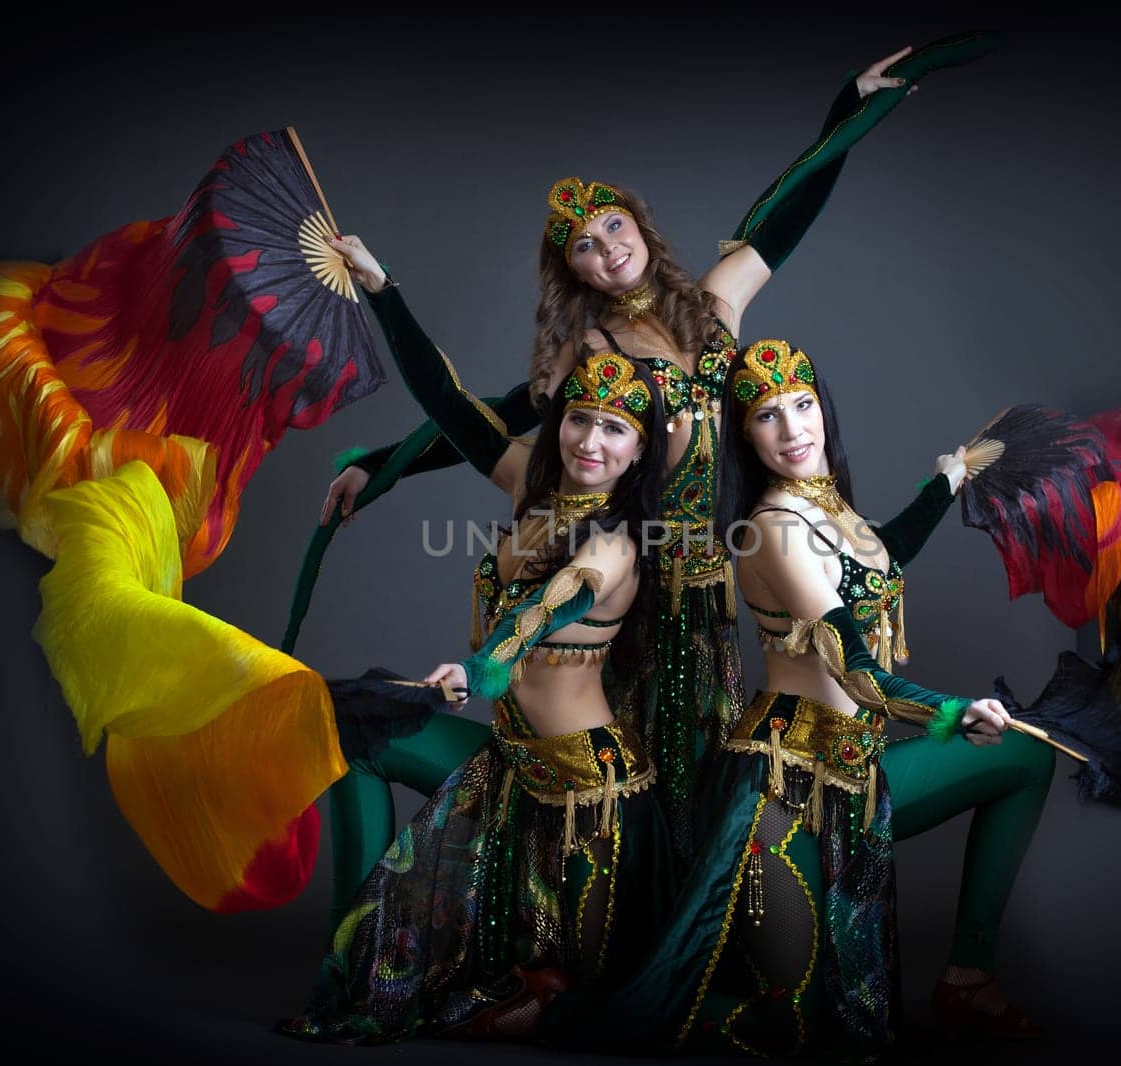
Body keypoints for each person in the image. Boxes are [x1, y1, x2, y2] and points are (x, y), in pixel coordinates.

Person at [314, 39, 997, 872]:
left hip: (717, 583)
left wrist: (848, 107)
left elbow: (786, 214)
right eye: (584, 245)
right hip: (623, 579)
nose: (607, 248)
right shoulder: (587, 355)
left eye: (613, 225)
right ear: (571, 270)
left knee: (704, 769)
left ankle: (690, 931)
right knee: (615, 778)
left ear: (637, 222)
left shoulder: (715, 306)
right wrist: (380, 465)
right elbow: (473, 420)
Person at [610, 339, 1051, 1057]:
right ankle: (560, 1015)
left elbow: (878, 557)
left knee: (1027, 761)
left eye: (803, 405)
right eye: (766, 416)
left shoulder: (832, 511)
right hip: (784, 794)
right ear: (745, 435)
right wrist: (948, 714)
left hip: (858, 775)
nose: (792, 431)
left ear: (823, 409)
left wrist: (944, 484)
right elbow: (857, 672)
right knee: (800, 1027)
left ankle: (969, 978)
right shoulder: (775, 530)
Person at [281, 235, 673, 1042]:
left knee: (578, 1006)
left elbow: (542, 617)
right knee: (353, 736)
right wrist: (383, 287)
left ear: (638, 453)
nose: (590, 443)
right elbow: (453, 408)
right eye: (580, 422)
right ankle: (348, 962)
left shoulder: (614, 544)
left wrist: (474, 668)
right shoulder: (529, 485)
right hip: (508, 766)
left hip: (582, 804)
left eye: (615, 432)